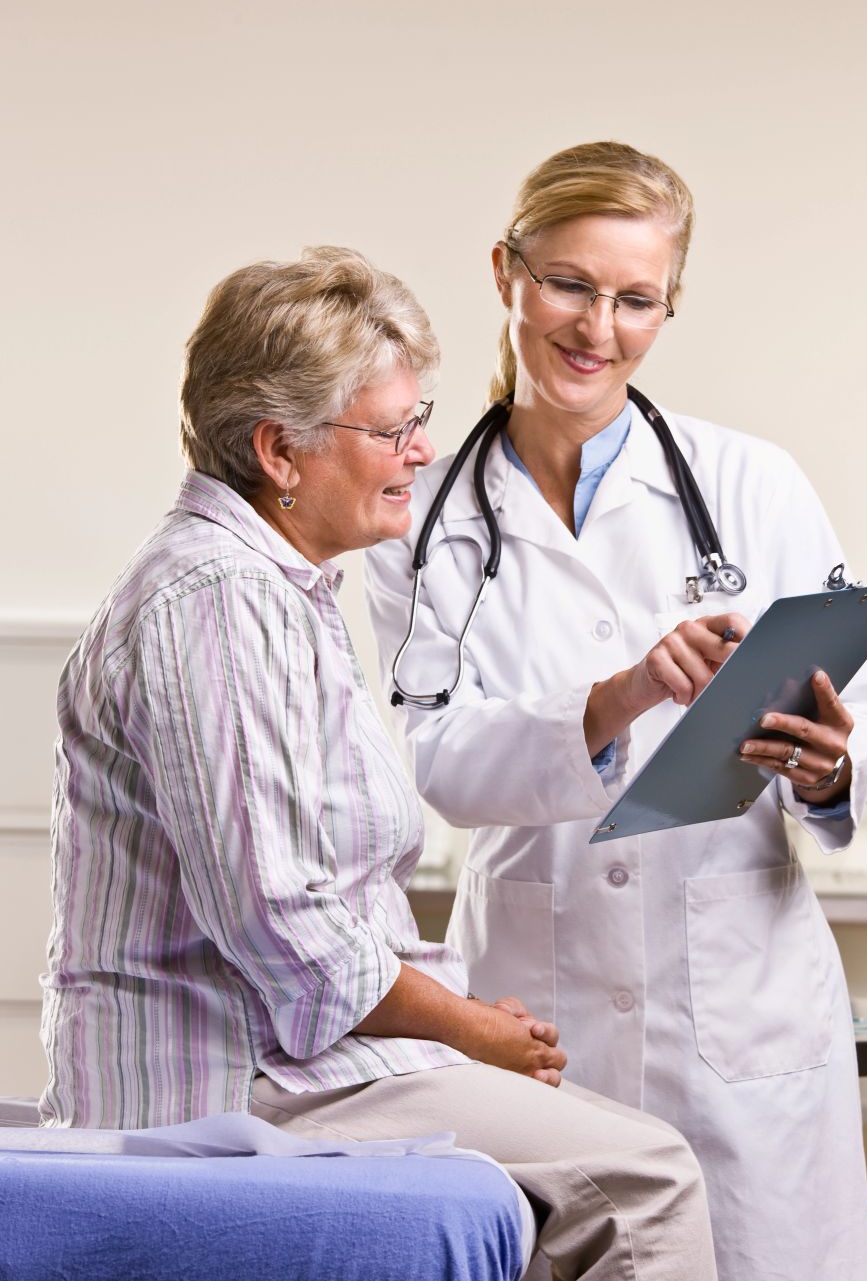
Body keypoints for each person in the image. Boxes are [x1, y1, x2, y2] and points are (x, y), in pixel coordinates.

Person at [39, 244, 717, 1281]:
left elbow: (336, 904)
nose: (422, 449)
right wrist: (472, 1029)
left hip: (304, 1058)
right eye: (394, 427)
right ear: (280, 452)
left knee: (550, 1204)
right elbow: (282, 926)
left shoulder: (284, 590)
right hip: (233, 1077)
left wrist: (469, 1020)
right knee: (646, 1173)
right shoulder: (217, 599)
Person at [365, 143, 867, 1281]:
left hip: (742, 1013)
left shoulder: (754, 482)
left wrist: (830, 763)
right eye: (569, 283)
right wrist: (621, 695)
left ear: (667, 307)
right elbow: (442, 757)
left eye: (635, 299)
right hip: (544, 1003)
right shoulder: (423, 522)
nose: (596, 327)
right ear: (506, 271)